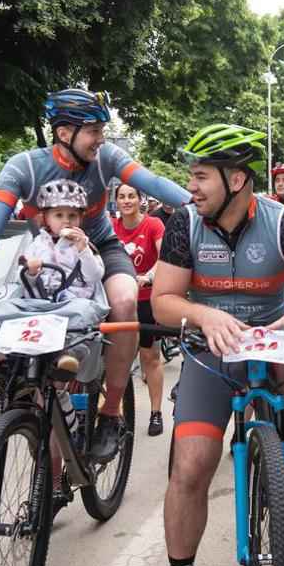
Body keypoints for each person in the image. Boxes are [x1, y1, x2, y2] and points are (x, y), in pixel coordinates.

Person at [147, 124, 284, 566]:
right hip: (212, 354)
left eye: (200, 176)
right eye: (190, 176)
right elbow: (162, 300)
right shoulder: (183, 224)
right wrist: (202, 316)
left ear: (236, 180)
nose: (191, 187)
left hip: (273, 341)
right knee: (189, 468)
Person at [0, 89, 192, 464]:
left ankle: (112, 412)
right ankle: (47, 478)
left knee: (125, 300)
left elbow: (154, 183)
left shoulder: (107, 158)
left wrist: (202, 204)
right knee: (32, 354)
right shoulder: (24, 167)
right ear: (64, 133)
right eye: (95, 130)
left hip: (99, 246)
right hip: (47, 261)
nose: (102, 138)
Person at [112, 182, 167, 436]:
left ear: (140, 199)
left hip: (146, 298)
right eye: (121, 197)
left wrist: (148, 276)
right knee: (115, 359)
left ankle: (156, 413)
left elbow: (164, 256)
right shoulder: (111, 227)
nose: (126, 201)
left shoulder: (153, 224)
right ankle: (114, 413)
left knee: (150, 357)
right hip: (118, 300)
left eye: (131, 196)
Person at [23, 180, 105, 301]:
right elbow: (22, 281)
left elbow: (95, 277)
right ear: (46, 218)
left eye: (72, 215)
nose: (66, 220)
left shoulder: (83, 245)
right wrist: (30, 273)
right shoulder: (37, 244)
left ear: (80, 219)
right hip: (41, 306)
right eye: (59, 215)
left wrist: (83, 250)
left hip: (75, 306)